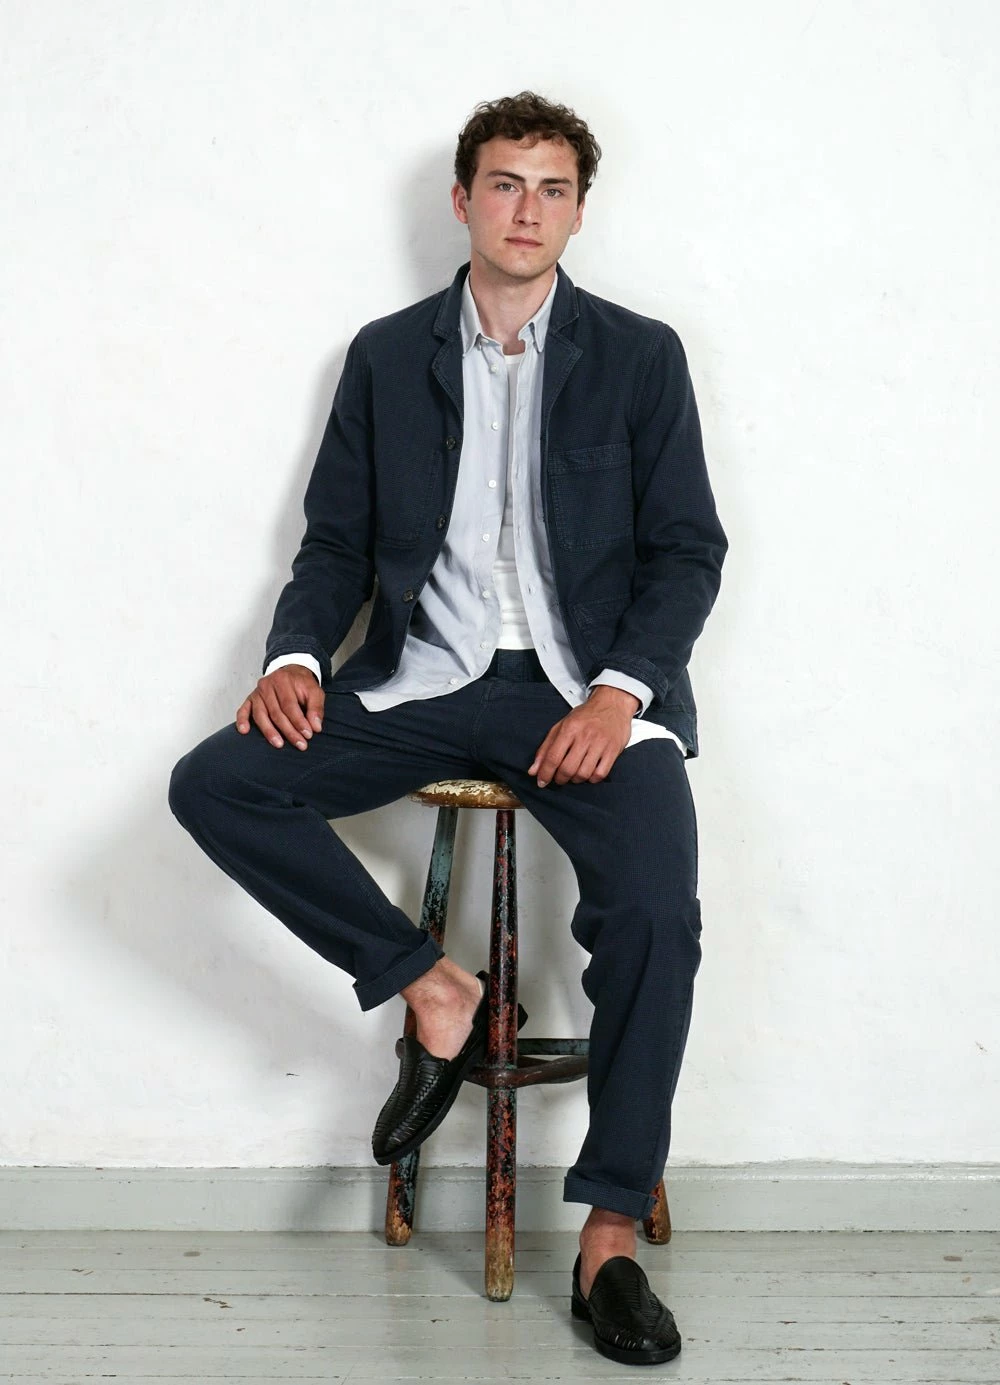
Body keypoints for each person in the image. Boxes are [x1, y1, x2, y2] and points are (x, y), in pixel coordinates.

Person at [168, 90, 726, 1366]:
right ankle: (433, 984)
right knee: (217, 781)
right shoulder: (385, 355)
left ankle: (608, 1234)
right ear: (463, 198)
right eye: (504, 184)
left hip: (583, 692)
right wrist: (296, 657)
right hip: (420, 681)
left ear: (578, 211)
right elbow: (335, 542)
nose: (527, 209)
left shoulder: (640, 356)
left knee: (655, 911)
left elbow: (687, 551)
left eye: (552, 189)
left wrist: (617, 693)